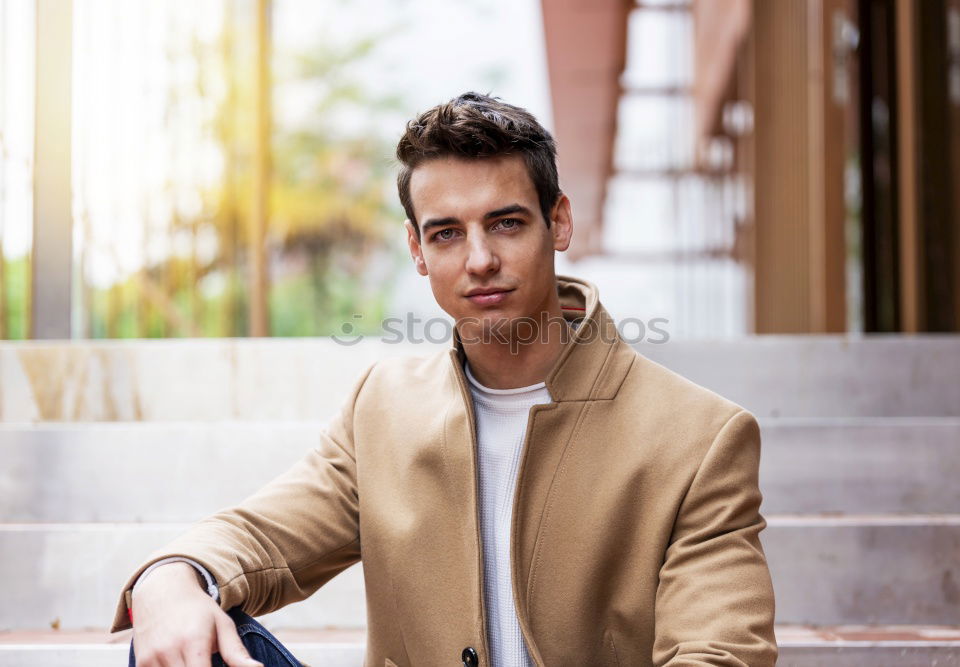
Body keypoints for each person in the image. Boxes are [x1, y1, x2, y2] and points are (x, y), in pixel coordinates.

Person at [112, 91, 777, 667]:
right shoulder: (384, 409)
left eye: (506, 223)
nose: (480, 259)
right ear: (417, 250)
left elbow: (720, 650)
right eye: (447, 234)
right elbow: (259, 538)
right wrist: (173, 577)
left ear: (560, 221)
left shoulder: (699, 438)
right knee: (173, 636)